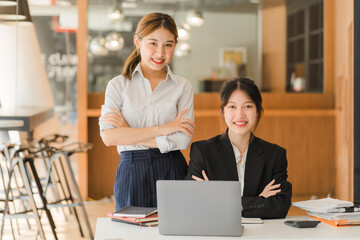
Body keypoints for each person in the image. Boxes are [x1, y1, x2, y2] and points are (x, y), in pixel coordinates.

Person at [99, 13, 195, 211]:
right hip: (132, 170)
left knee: (176, 230)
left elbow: (183, 140)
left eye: (168, 45)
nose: (160, 53)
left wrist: (129, 133)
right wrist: (164, 129)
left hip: (173, 168)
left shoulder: (182, 86)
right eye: (153, 43)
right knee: (132, 232)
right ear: (138, 41)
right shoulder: (118, 85)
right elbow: (109, 137)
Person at [185, 78, 292, 219]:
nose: (240, 115)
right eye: (232, 107)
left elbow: (280, 206)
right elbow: (192, 202)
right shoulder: (203, 151)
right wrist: (257, 201)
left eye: (248, 106)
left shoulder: (274, 155)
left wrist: (222, 201)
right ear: (223, 112)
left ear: (258, 111)